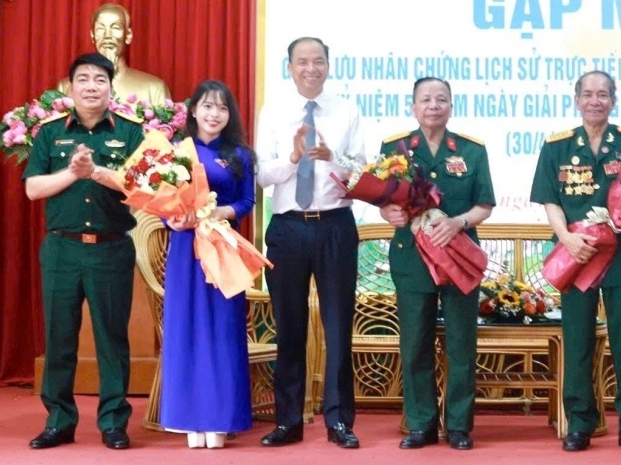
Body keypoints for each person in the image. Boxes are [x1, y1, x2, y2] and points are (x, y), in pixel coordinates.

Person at [529, 70, 621, 453]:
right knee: (578, 341)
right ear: (577, 99)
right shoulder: (557, 146)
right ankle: (580, 424)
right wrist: (566, 238)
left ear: (613, 100)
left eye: (603, 94)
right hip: (578, 255)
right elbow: (550, 199)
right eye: (588, 94)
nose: (595, 101)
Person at [23, 53, 145, 450]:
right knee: (59, 338)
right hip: (62, 249)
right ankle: (59, 421)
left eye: (99, 80)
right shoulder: (49, 133)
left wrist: (96, 172)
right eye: (83, 79)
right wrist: (72, 173)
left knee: (112, 340)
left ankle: (113, 423)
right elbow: (33, 188)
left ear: (111, 87)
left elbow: (141, 188)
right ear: (70, 87)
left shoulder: (130, 132)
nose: (91, 86)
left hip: (111, 249)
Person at [255, 37, 366, 449]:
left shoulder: (347, 110)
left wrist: (333, 157)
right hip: (288, 227)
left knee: (338, 327)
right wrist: (293, 157)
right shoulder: (273, 111)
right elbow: (262, 176)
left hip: (335, 225)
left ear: (328, 65)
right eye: (302, 62)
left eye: (318, 61)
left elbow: (362, 171)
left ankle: (339, 421)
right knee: (288, 327)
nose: (310, 68)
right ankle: (288, 420)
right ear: (289, 67)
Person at [379, 77, 495, 451]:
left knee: (461, 342)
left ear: (451, 106)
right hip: (412, 259)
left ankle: (459, 425)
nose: (433, 106)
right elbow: (384, 201)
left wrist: (458, 222)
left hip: (458, 256)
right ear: (413, 106)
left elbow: (484, 205)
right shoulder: (394, 148)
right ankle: (421, 424)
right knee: (415, 342)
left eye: (441, 99)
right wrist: (390, 213)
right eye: (426, 100)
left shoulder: (472, 150)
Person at [159, 80, 257, 449]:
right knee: (185, 327)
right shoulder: (175, 151)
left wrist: (220, 212)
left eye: (222, 107)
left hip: (222, 246)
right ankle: (187, 418)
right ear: (193, 110)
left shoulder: (240, 155)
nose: (214, 114)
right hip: (186, 249)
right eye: (208, 106)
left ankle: (221, 418)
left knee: (223, 329)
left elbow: (247, 201)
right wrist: (173, 220)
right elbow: (162, 199)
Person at [57, 2, 171, 105]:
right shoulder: (66, 87)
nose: (107, 35)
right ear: (92, 35)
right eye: (100, 28)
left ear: (128, 35)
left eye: (115, 28)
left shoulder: (154, 89)